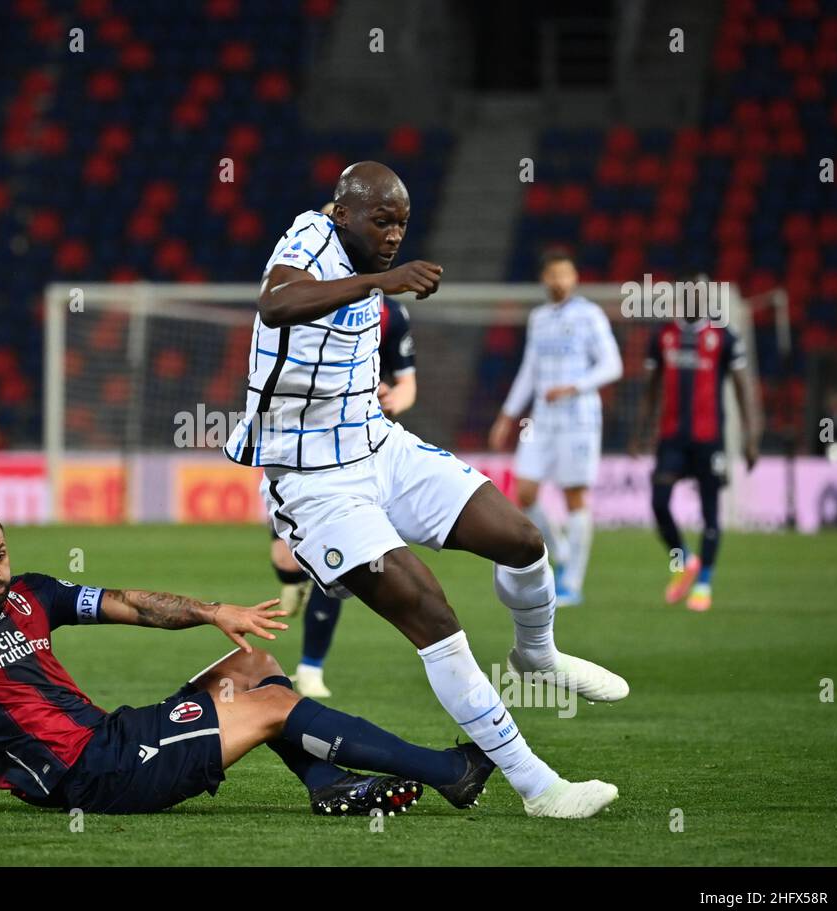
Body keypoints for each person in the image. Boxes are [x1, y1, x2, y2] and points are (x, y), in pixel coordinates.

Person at [225, 162, 624, 819]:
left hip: (381, 446)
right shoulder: (307, 240)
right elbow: (276, 301)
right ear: (341, 212)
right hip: (318, 484)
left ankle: (537, 653)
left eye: (402, 225)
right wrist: (384, 280)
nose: (393, 236)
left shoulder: (369, 267)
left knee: (521, 539)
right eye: (381, 221)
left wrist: (382, 287)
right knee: (436, 618)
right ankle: (538, 787)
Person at [0, 508, 498, 818]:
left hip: (113, 738)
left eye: (0, 555)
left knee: (250, 666)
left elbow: (131, 604)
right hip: (87, 777)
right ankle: (448, 772)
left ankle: (325, 783)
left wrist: (213, 612)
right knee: (275, 708)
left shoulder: (32, 594)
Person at [268, 202, 419, 698]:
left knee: (344, 561)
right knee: (289, 559)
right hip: (292, 447)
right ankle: (291, 583)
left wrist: (390, 399)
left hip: (356, 448)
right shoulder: (301, 289)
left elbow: (407, 384)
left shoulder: (390, 312)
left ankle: (311, 666)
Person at [488, 250, 623, 606]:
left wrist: (574, 386)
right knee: (526, 490)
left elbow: (612, 365)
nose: (559, 281)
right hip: (542, 419)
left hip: (579, 418)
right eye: (553, 275)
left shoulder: (589, 316)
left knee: (573, 496)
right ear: (544, 279)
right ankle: (561, 550)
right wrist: (507, 414)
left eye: (565, 274)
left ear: (575, 277)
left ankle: (572, 582)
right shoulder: (539, 318)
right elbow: (529, 370)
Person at [632, 281, 760, 611]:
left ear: (707, 300)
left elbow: (742, 387)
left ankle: (704, 583)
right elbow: (651, 388)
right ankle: (685, 560)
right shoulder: (663, 336)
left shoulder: (724, 336)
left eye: (700, 295)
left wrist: (750, 436)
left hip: (709, 440)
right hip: (671, 439)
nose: (694, 301)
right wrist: (640, 431)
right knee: (659, 504)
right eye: (688, 295)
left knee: (710, 513)